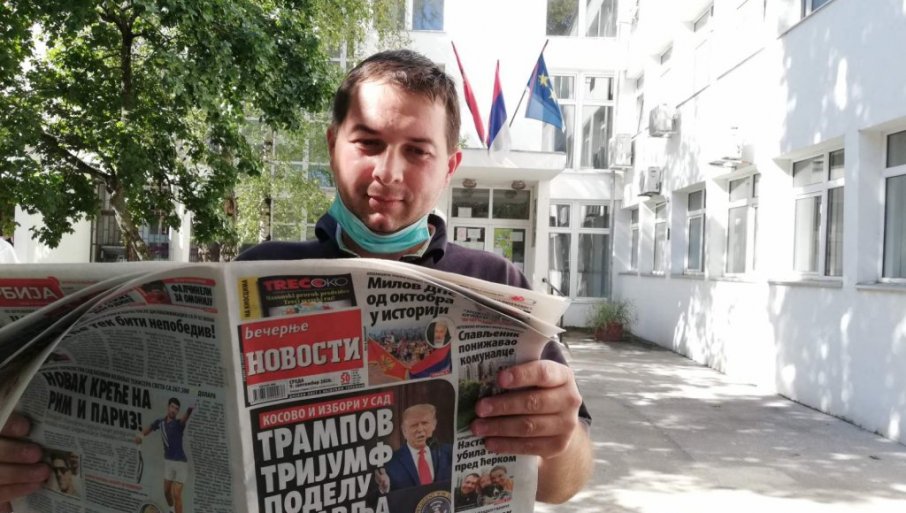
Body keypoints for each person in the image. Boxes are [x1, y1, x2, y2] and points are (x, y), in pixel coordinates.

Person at [0, 48, 592, 509]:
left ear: (450, 166)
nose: (389, 171)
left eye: (417, 151)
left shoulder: (495, 281)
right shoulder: (258, 269)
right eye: (369, 142)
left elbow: (563, 485)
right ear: (334, 145)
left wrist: (559, 435)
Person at [134, 398, 194, 513]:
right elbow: (150, 429)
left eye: (176, 409)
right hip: (168, 463)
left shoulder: (179, 424)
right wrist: (140, 436)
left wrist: (192, 403)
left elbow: (187, 415)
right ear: (168, 407)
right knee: (166, 492)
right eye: (172, 407)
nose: (174, 410)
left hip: (181, 464)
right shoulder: (160, 422)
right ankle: (172, 510)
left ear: (178, 411)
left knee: (176, 494)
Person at [375, 403, 453, 491]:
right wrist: (385, 489)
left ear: (434, 425)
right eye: (414, 425)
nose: (420, 429)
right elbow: (377, 494)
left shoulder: (450, 451)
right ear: (404, 431)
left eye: (425, 423)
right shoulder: (390, 462)